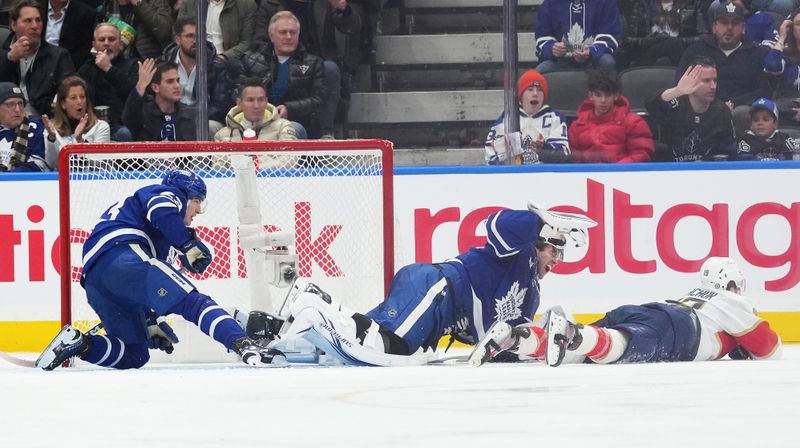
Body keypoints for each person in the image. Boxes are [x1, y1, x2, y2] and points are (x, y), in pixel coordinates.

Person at [251, 202, 596, 366]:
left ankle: (295, 328)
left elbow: (503, 339)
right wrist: (539, 224)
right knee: (384, 350)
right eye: (555, 250)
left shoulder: (530, 297)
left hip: (437, 317)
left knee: (360, 347)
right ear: (540, 243)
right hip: (435, 288)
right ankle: (314, 304)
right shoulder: (519, 253)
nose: (556, 261)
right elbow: (497, 225)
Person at [35, 169, 285, 371]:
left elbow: (140, 286)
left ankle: (81, 344)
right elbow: (160, 210)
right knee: (194, 304)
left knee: (135, 354)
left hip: (96, 281)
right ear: (185, 195)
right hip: (122, 256)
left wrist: (150, 320)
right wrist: (187, 243)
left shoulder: (157, 234)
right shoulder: (167, 192)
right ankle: (241, 343)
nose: (198, 209)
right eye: (197, 200)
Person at [471, 256, 782, 367]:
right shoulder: (731, 301)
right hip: (679, 332)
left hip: (651, 309)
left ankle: (516, 338)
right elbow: (768, 349)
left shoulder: (694, 294)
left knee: (578, 355)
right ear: (730, 283)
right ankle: (571, 331)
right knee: (616, 346)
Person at [255, 0, 367, 138]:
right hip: (279, 60)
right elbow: (259, 41)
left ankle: (326, 132)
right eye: (284, 32)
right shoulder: (270, 3)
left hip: (317, 63)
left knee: (330, 69)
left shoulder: (326, 3)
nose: (288, 35)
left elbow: (352, 28)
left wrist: (342, 9)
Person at [235, 11, 327, 139]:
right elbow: (237, 94)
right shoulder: (250, 60)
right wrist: (264, 110)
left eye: (293, 32)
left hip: (295, 121)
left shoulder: (313, 63)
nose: (289, 37)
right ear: (271, 36)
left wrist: (289, 109)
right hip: (256, 120)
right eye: (283, 32)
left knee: (292, 129)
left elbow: (319, 100)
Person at [677, 2, 771, 109]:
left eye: (735, 23)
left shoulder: (756, 53)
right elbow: (681, 84)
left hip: (738, 111)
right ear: (714, 27)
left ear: (743, 28)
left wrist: (734, 103)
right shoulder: (696, 50)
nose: (730, 27)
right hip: (701, 110)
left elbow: (763, 91)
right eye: (724, 22)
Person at [645, 58, 736, 161]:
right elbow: (651, 104)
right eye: (706, 81)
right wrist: (677, 90)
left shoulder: (722, 110)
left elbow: (729, 150)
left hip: (707, 172)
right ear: (690, 82)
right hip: (670, 170)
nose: (713, 86)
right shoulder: (675, 103)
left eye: (715, 80)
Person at [0, 0, 75, 117]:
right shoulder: (3, 54)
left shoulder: (58, 56)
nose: (35, 26)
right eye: (28, 21)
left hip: (43, 121)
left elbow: (71, 92)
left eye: (38, 20)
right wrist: (10, 59)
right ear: (13, 25)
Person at [161, 17, 234, 135]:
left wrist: (190, 117)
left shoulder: (216, 66)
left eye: (199, 36)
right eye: (189, 36)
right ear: (178, 40)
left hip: (204, 118)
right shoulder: (164, 65)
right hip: (171, 115)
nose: (195, 40)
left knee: (208, 126)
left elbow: (221, 106)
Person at [485, 69, 570, 165]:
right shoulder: (508, 117)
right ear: (521, 95)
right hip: (514, 176)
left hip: (544, 175)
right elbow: (490, 153)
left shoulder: (555, 118)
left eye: (539, 90)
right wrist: (511, 145)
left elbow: (564, 155)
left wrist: (544, 149)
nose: (535, 94)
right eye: (530, 90)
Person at [568, 70, 655, 163]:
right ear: (590, 96)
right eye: (598, 95)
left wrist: (616, 169)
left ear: (616, 96)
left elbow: (641, 153)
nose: (603, 100)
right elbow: (574, 160)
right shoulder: (577, 126)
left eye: (608, 95)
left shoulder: (634, 122)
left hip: (622, 174)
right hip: (587, 175)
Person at [77, 22, 139, 142]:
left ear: (120, 44)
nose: (106, 43)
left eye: (111, 39)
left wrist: (109, 69)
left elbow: (135, 96)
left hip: (120, 126)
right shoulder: (85, 69)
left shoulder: (133, 66)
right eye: (102, 39)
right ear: (94, 45)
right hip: (91, 125)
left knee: (125, 134)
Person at [42, 76, 111, 171]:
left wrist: (80, 141)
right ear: (63, 104)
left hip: (93, 182)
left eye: (82, 97)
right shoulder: (52, 129)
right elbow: (53, 164)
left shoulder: (101, 127)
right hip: (64, 182)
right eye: (73, 98)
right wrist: (52, 138)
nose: (79, 102)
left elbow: (99, 164)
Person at [534, 0, 623, 73]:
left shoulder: (605, 2)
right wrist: (551, 48)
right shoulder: (550, 3)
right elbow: (543, 35)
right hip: (561, 60)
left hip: (595, 60)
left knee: (607, 62)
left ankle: (604, 95)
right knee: (541, 70)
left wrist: (591, 51)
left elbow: (610, 35)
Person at [122, 58, 198, 141]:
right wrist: (140, 85)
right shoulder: (144, 114)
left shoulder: (190, 114)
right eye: (170, 81)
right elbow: (128, 118)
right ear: (155, 87)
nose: (177, 86)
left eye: (178, 80)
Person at [616, 0, 705, 68]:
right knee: (666, 43)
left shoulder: (692, 3)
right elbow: (627, 41)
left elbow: (704, 38)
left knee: (671, 44)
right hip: (648, 54)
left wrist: (679, 41)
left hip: (682, 53)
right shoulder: (642, 4)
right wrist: (649, 41)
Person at [214, 77, 297, 141]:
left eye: (261, 100)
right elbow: (219, 163)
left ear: (266, 101)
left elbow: (289, 160)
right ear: (239, 103)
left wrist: (260, 164)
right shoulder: (222, 135)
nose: (256, 105)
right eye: (250, 100)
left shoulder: (283, 127)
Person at [97, 0, 179, 60]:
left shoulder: (157, 2)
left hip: (148, 63)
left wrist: (139, 3)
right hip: (116, 63)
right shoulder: (107, 6)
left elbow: (164, 32)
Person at [178, 0, 257, 61]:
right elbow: (179, 33)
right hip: (195, 57)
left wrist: (224, 56)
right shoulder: (189, 3)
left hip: (229, 60)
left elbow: (247, 42)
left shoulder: (246, 4)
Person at [0, 81, 47, 172]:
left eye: (20, 104)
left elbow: (40, 164)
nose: (17, 109)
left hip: (24, 183)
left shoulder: (36, 127)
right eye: (10, 104)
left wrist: (9, 177)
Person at [763, 8, 800, 124]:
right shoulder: (785, 56)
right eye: (799, 24)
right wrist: (782, 37)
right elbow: (771, 65)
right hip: (787, 107)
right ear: (791, 28)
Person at [42, 0, 96, 68]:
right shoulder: (34, 7)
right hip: (35, 62)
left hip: (67, 66)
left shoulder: (86, 13)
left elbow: (85, 49)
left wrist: (64, 66)